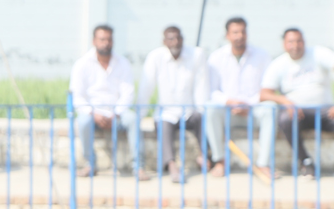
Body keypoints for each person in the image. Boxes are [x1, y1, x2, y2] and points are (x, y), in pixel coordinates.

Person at [256, 28, 334, 180]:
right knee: (285, 119)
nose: (295, 45)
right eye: (291, 42)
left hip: (326, 111)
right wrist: (285, 101)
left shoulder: (318, 53)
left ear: (304, 42)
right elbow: (264, 94)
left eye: (298, 41)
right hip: (298, 113)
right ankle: (306, 162)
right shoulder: (278, 64)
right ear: (284, 44)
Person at [69, 24, 149, 179]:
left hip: (117, 114)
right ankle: (90, 164)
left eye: (109, 39)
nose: (106, 43)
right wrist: (93, 113)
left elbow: (128, 93)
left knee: (133, 119)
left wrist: (115, 113)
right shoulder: (82, 64)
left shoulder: (123, 63)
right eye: (102, 39)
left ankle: (138, 167)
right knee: (83, 122)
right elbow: (77, 96)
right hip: (92, 114)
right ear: (94, 41)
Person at [138, 26, 210, 183]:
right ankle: (172, 165)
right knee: (163, 123)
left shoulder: (196, 55)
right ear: (164, 41)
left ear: (183, 39)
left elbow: (201, 87)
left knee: (201, 117)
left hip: (190, 111)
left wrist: (202, 109)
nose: (175, 42)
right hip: (167, 113)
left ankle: (204, 156)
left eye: (178, 38)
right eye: (171, 39)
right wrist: (140, 116)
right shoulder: (155, 57)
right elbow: (146, 88)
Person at [204, 17, 271, 177]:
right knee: (210, 110)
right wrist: (230, 102)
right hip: (228, 111)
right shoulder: (216, 57)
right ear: (227, 35)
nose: (239, 36)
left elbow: (267, 88)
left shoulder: (262, 56)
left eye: (243, 32)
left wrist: (248, 104)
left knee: (271, 109)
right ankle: (220, 161)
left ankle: (263, 164)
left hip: (253, 111)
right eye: (235, 32)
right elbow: (212, 91)